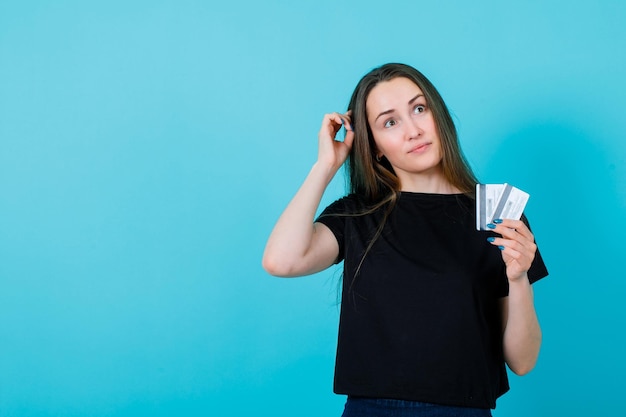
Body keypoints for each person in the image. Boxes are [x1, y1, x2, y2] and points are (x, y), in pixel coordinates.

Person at [262, 63, 548, 417]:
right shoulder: (358, 213)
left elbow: (523, 361)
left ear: (438, 115)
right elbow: (281, 260)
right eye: (390, 122)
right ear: (376, 146)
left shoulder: (498, 210)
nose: (413, 130)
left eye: (419, 108)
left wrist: (518, 279)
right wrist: (325, 166)